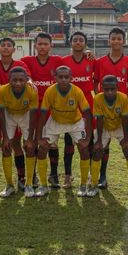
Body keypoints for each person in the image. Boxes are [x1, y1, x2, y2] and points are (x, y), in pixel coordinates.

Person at [0, 37, 30, 189]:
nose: (6, 48)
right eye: (3, 45)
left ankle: (21, 178)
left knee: (14, 143)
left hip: (15, 109)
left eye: (9, 45)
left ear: (14, 49)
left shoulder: (20, 65)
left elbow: (28, 80)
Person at [36, 66, 92, 197]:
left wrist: (88, 138)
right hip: (55, 121)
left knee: (83, 149)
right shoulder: (50, 91)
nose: (63, 79)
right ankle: (43, 185)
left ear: (71, 78)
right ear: (55, 78)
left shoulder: (77, 91)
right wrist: (39, 137)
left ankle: (83, 185)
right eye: (60, 77)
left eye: (66, 77)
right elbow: (43, 114)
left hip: (75, 122)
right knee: (43, 148)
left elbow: (88, 114)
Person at [20, 32, 65, 188]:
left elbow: (74, 62)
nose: (43, 47)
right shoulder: (25, 61)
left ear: (51, 46)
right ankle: (31, 177)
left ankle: (53, 175)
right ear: (35, 45)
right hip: (31, 109)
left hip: (52, 108)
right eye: (40, 44)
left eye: (46, 44)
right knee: (30, 142)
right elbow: (10, 63)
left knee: (51, 143)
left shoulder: (58, 61)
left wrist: (88, 53)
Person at [93, 27, 128, 189]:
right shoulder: (100, 62)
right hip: (104, 108)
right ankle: (102, 175)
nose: (116, 41)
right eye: (113, 38)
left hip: (123, 109)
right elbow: (95, 82)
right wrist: (100, 100)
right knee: (103, 143)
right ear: (109, 40)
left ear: (124, 41)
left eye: (119, 39)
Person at [0, 67, 39, 198]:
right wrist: (5, 137)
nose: (18, 83)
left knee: (30, 148)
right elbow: (1, 114)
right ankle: (9, 185)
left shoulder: (32, 90)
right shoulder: (2, 90)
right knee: (7, 148)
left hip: (26, 114)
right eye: (14, 80)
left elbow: (33, 115)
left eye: (21, 80)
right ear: (9, 80)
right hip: (9, 115)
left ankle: (29, 184)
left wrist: (30, 138)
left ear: (27, 80)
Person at [62, 31, 95, 188]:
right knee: (69, 142)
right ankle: (67, 176)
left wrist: (90, 54)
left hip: (88, 104)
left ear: (85, 44)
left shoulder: (91, 60)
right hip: (70, 105)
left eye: (81, 40)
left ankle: (89, 174)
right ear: (70, 43)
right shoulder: (64, 61)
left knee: (88, 140)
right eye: (75, 40)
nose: (78, 42)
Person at [93, 76, 128, 197]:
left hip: (120, 126)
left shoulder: (123, 97)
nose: (109, 92)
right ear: (102, 88)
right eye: (106, 89)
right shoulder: (98, 98)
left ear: (117, 88)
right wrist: (99, 141)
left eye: (112, 89)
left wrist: (126, 139)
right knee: (97, 151)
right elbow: (99, 120)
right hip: (105, 126)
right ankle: (94, 184)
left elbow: (125, 118)